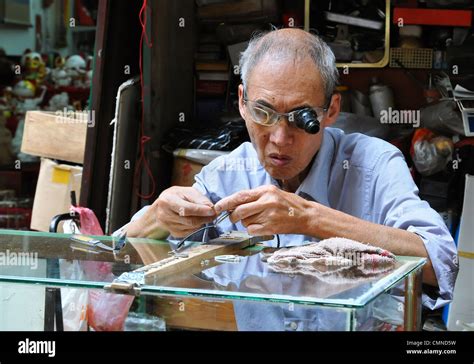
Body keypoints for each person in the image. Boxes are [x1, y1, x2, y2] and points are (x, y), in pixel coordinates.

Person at [120, 28, 458, 318]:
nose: (279, 140)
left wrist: (308, 217)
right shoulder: (227, 175)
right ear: (241, 102)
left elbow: (440, 265)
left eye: (302, 118)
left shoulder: (374, 166)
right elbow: (117, 253)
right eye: (263, 114)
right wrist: (161, 215)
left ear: (332, 111)